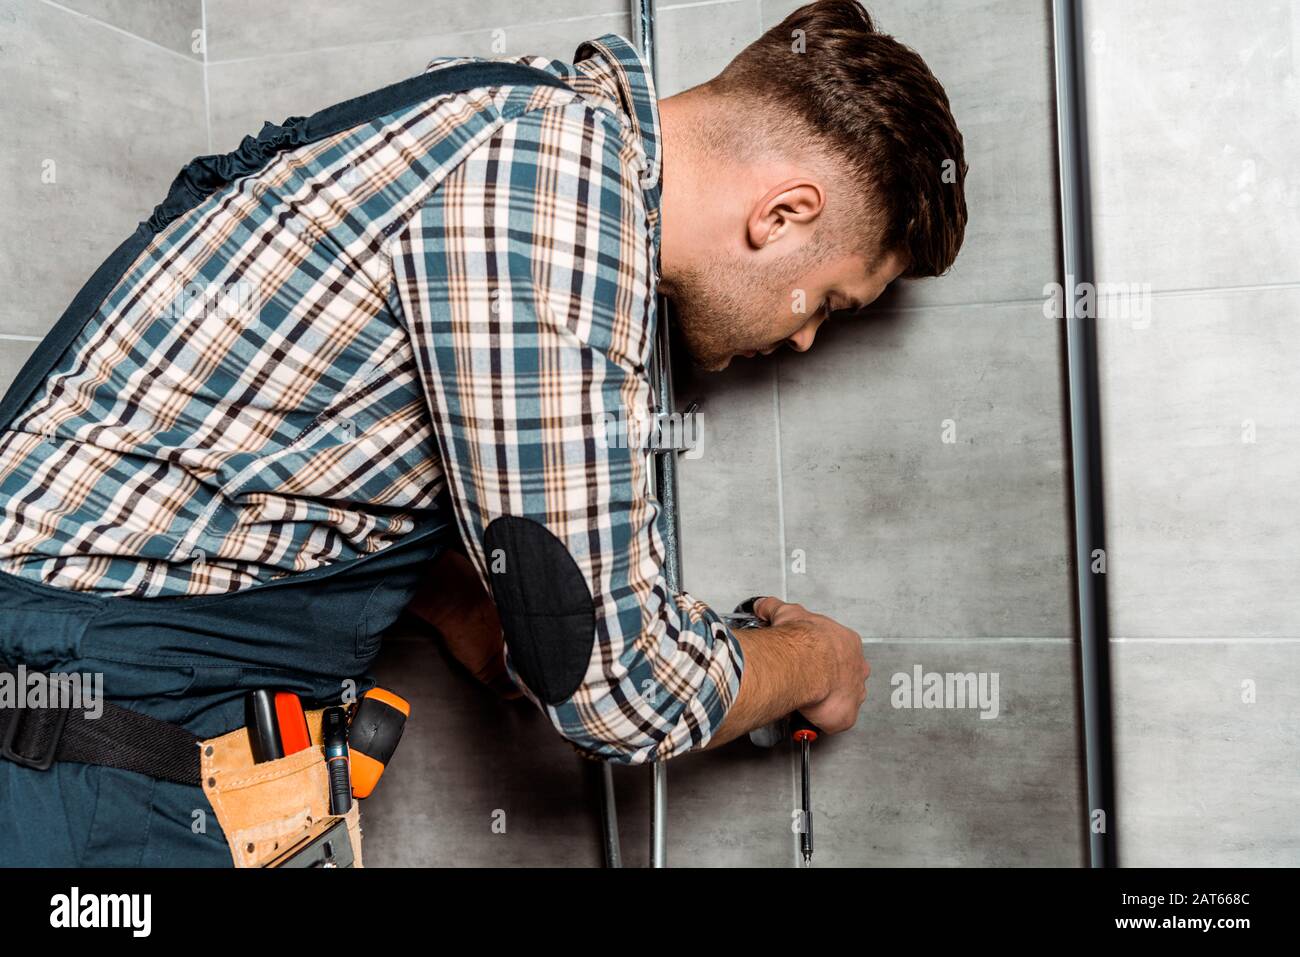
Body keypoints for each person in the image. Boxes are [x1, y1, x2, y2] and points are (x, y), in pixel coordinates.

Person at [0, 0, 965, 865]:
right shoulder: (555, 199)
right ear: (785, 213)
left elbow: (282, 439)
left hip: (119, 723)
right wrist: (816, 664)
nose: (803, 333)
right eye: (829, 300)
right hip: (88, 751)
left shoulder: (521, 122)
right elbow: (618, 688)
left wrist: (461, 602)